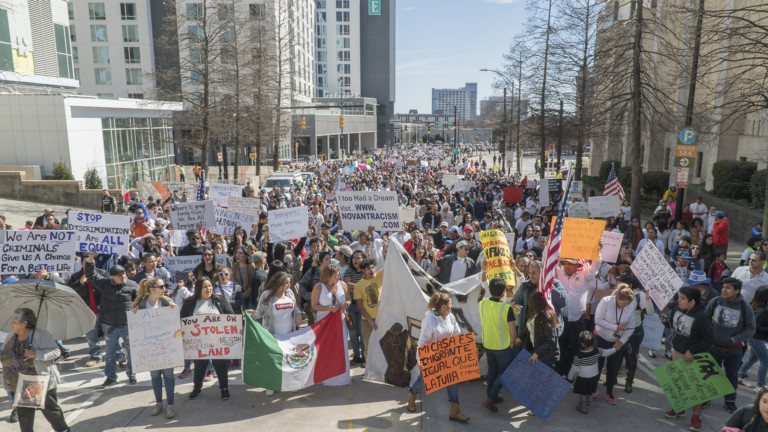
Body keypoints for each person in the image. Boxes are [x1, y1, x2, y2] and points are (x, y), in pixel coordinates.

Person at [1, 308, 70, 432]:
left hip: (39, 380)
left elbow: (56, 351)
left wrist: (36, 354)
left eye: (14, 321)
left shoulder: (40, 335)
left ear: (25, 323)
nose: (11, 323)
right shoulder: (11, 336)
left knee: (51, 411)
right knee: (24, 416)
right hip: (21, 382)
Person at [406, 293, 470, 423]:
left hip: (447, 357)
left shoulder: (451, 317)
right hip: (432, 358)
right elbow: (422, 342)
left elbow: (457, 333)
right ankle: (412, 395)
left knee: (452, 381)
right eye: (450, 304)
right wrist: (420, 359)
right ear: (443, 306)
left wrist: (465, 347)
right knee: (423, 380)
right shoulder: (430, 321)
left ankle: (455, 411)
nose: (452, 306)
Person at [662, 286, 713, 431]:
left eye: (683, 298)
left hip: (693, 357)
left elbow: (708, 339)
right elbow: (673, 324)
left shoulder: (702, 317)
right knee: (678, 383)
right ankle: (679, 408)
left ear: (692, 302)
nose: (679, 300)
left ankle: (696, 417)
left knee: (695, 388)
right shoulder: (677, 309)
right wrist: (664, 321)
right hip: (677, 351)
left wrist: (692, 350)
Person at [85, 255, 138, 388]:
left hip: (127, 325)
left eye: (124, 274)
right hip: (109, 326)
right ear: (112, 277)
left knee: (131, 352)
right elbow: (91, 275)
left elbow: (139, 300)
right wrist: (91, 260)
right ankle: (110, 377)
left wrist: (137, 307)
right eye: (119, 275)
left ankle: (132, 375)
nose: (123, 276)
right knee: (110, 354)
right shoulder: (105, 284)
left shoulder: (133, 286)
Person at [706, 277, 756, 413]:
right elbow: (704, 319)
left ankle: (730, 401)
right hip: (713, 347)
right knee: (710, 374)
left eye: (728, 288)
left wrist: (736, 339)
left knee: (732, 375)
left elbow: (750, 328)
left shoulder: (745, 307)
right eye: (723, 287)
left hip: (734, 350)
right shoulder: (715, 301)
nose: (724, 290)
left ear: (737, 291)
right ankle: (706, 398)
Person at [248, 272, 302, 396]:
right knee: (272, 360)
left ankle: (290, 383)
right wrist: (252, 314)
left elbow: (296, 308)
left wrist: (298, 314)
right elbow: (259, 312)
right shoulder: (267, 295)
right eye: (286, 283)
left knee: (288, 358)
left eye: (290, 283)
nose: (289, 285)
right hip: (272, 334)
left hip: (289, 334)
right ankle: (270, 384)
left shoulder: (289, 293)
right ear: (278, 283)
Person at [180, 277, 234, 400]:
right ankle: (197, 388)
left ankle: (224, 388)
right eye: (205, 286)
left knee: (220, 366)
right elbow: (183, 319)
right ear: (198, 288)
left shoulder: (220, 300)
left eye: (210, 286)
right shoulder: (190, 302)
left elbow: (231, 316)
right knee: (199, 366)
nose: (208, 289)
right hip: (199, 342)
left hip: (218, 342)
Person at [131, 278, 177, 418]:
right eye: (161, 286)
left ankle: (170, 405)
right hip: (150, 348)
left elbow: (175, 322)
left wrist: (174, 311)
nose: (164, 288)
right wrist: (134, 313)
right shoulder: (141, 305)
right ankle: (158, 403)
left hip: (166, 346)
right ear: (152, 290)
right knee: (155, 375)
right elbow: (135, 326)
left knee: (169, 375)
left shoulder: (167, 302)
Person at [479, 278, 516, 413]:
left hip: (488, 344)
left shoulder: (482, 303)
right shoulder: (506, 308)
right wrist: (513, 342)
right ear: (503, 292)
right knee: (504, 372)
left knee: (492, 370)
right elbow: (512, 329)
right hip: (502, 347)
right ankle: (491, 397)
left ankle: (491, 396)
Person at [593, 285, 636, 405]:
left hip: (616, 341)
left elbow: (630, 327)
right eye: (623, 302)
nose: (625, 305)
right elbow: (598, 320)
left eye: (627, 303)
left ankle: (609, 392)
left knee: (613, 368)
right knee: (597, 365)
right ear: (617, 297)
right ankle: (592, 390)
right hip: (601, 337)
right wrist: (616, 327)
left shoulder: (630, 307)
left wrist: (622, 341)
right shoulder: (606, 301)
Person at [311, 264, 352, 386]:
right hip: (324, 323)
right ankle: (327, 377)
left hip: (340, 322)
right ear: (328, 276)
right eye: (336, 275)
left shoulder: (343, 285)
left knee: (341, 346)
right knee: (326, 348)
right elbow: (314, 305)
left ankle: (342, 377)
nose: (338, 276)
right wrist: (328, 308)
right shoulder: (318, 287)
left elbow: (349, 298)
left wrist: (347, 305)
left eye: (339, 274)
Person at [567, 331, 616, 414]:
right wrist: (615, 349)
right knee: (589, 389)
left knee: (583, 392)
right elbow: (606, 353)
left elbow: (574, 368)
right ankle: (586, 402)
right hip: (594, 376)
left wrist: (570, 377)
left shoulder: (579, 356)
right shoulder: (597, 351)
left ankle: (583, 406)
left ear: (582, 344)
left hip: (583, 377)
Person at [739, 286, 768, 389]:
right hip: (756, 338)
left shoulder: (762, 309)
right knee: (765, 361)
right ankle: (760, 385)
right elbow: (755, 326)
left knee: (752, 359)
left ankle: (739, 375)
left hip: (757, 338)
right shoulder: (760, 311)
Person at [355, 257, 384, 362]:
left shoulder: (379, 277)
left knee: (383, 345)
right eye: (368, 269)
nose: (371, 270)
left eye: (372, 267)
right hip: (366, 321)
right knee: (368, 346)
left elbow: (391, 262)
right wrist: (370, 320)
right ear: (363, 270)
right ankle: (370, 371)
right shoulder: (358, 286)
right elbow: (359, 306)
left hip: (381, 319)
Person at [526, 291, 560, 369]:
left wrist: (537, 353)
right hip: (541, 354)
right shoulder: (536, 316)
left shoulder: (545, 319)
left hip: (547, 357)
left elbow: (550, 340)